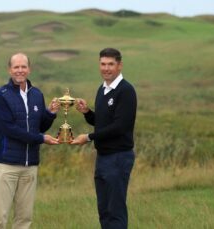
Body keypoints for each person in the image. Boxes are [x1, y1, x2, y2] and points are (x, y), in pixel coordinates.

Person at [0, 52, 60, 229]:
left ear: (29, 69)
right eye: (16, 67)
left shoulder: (37, 94)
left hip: (30, 165)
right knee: (0, 217)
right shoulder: (0, 95)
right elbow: (9, 129)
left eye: (23, 67)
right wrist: (41, 139)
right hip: (6, 164)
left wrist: (50, 114)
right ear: (9, 69)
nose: (20, 70)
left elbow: (39, 128)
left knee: (24, 218)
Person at [71, 48, 137, 229]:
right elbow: (101, 123)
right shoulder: (102, 89)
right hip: (103, 158)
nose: (106, 68)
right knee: (104, 210)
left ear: (119, 65)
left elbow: (119, 127)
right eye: (103, 64)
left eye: (110, 64)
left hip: (119, 157)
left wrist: (89, 137)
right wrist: (87, 113)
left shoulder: (126, 91)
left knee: (115, 211)